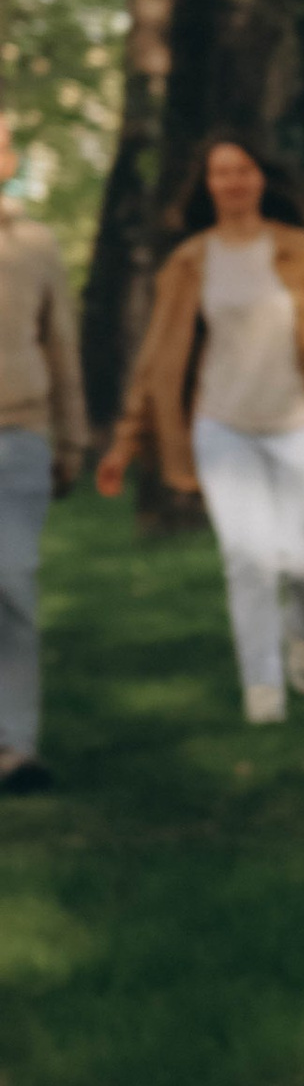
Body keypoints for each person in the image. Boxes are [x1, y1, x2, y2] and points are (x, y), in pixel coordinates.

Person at [96, 138, 304, 725]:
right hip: (222, 426)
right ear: (208, 185)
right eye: (221, 173)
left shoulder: (296, 249)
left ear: (260, 178)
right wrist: (125, 442)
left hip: (296, 422)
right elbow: (156, 359)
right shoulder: (190, 261)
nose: (233, 182)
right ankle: (263, 691)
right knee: (246, 559)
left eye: (243, 170)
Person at [0, 110, 87, 795]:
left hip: (19, 434)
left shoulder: (34, 245)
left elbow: (60, 345)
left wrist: (73, 436)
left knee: (13, 581)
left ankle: (16, 747)